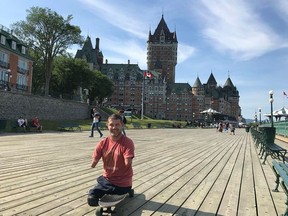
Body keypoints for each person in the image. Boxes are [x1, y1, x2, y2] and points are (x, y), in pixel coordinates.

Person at [87, 114, 135, 206]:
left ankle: (105, 190)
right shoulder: (102, 143)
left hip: (122, 183)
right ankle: (104, 189)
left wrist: (127, 160)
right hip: (108, 179)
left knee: (98, 187)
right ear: (107, 125)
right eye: (111, 125)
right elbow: (93, 164)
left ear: (122, 125)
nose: (114, 127)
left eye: (117, 125)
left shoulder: (127, 142)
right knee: (91, 198)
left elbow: (127, 162)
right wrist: (93, 162)